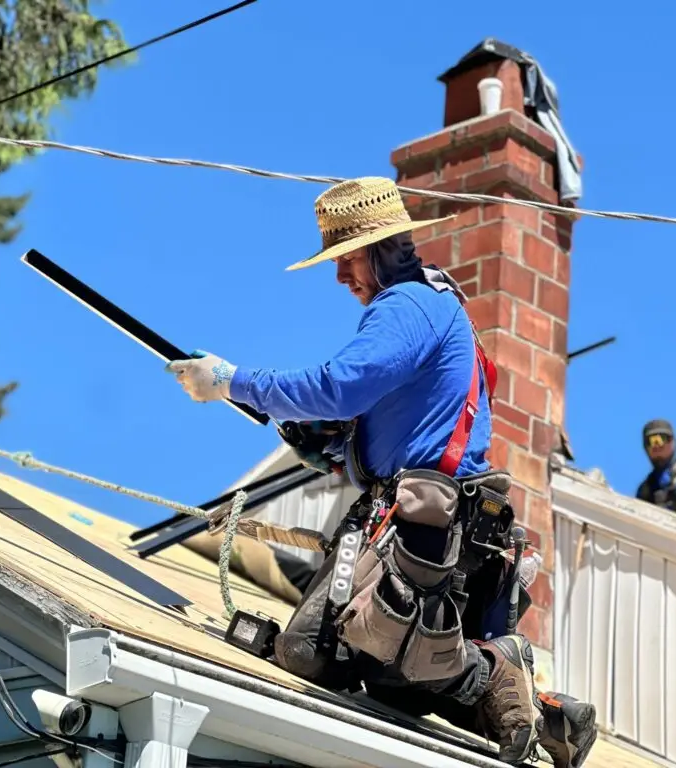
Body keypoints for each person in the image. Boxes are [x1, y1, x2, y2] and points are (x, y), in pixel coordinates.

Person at [166, 176, 597, 766]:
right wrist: (342, 454)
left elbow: (340, 387)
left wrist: (233, 382)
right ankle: (545, 716)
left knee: (329, 654)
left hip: (420, 519)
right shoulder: (433, 304)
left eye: (345, 259)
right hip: (434, 517)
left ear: (379, 248)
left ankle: (494, 668)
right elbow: (408, 428)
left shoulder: (407, 305)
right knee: (388, 679)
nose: (341, 277)